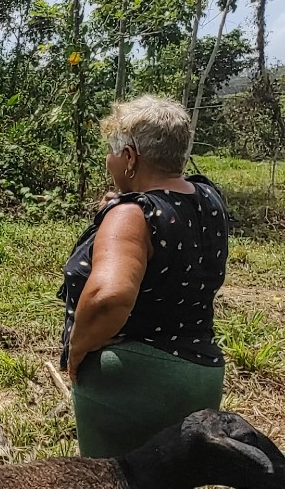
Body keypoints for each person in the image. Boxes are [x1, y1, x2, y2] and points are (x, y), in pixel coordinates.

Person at [58, 95, 229, 458]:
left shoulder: (133, 213)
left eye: (112, 151)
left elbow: (108, 297)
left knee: (114, 479)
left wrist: (77, 348)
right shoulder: (209, 199)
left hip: (134, 381)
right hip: (203, 376)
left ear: (130, 157)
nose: (109, 161)